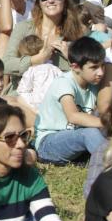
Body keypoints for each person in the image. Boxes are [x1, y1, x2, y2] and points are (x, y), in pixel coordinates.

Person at [4, 0, 85, 93]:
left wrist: (70, 57)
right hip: (21, 96)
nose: (50, 0)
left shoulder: (76, 34)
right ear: (39, 2)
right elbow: (6, 64)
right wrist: (36, 59)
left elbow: (86, 73)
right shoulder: (23, 28)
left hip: (59, 97)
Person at [35, 36, 105, 164]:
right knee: (90, 133)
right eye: (94, 67)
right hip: (48, 143)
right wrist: (107, 123)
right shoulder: (64, 83)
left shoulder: (93, 84)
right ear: (75, 67)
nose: (100, 72)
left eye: (102, 66)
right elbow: (73, 116)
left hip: (74, 137)